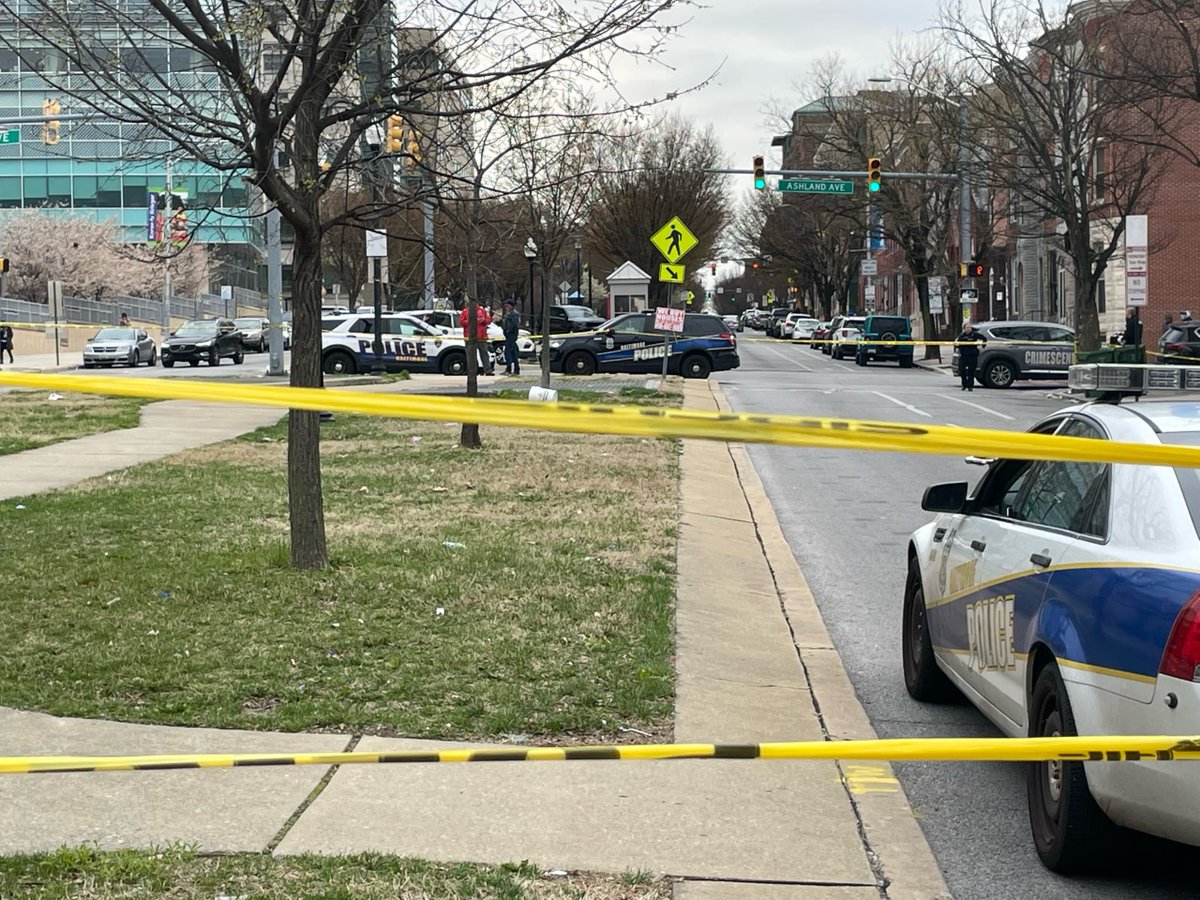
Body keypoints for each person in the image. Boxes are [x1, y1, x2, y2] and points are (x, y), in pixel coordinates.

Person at [458, 302, 494, 375]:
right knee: (471, 355)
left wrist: (483, 320)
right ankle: (472, 371)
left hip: (481, 337)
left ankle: (487, 370)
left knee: (484, 354)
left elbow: (489, 320)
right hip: (470, 337)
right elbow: (461, 322)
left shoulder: (482, 311)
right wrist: (469, 322)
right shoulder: (465, 312)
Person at [955, 321, 986, 392]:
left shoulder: (974, 335)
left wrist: (983, 345)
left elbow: (984, 338)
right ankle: (964, 384)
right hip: (964, 355)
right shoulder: (962, 336)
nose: (968, 329)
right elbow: (957, 344)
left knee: (971, 372)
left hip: (972, 355)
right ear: (964, 329)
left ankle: (970, 386)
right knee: (962, 370)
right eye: (967, 327)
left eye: (969, 327)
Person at [501, 299, 521, 375]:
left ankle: (509, 369)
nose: (506, 306)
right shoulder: (508, 314)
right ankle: (516, 369)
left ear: (511, 305)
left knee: (507, 352)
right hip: (508, 335)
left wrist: (508, 330)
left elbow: (514, 325)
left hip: (511, 336)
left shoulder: (514, 314)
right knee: (513, 353)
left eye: (508, 305)